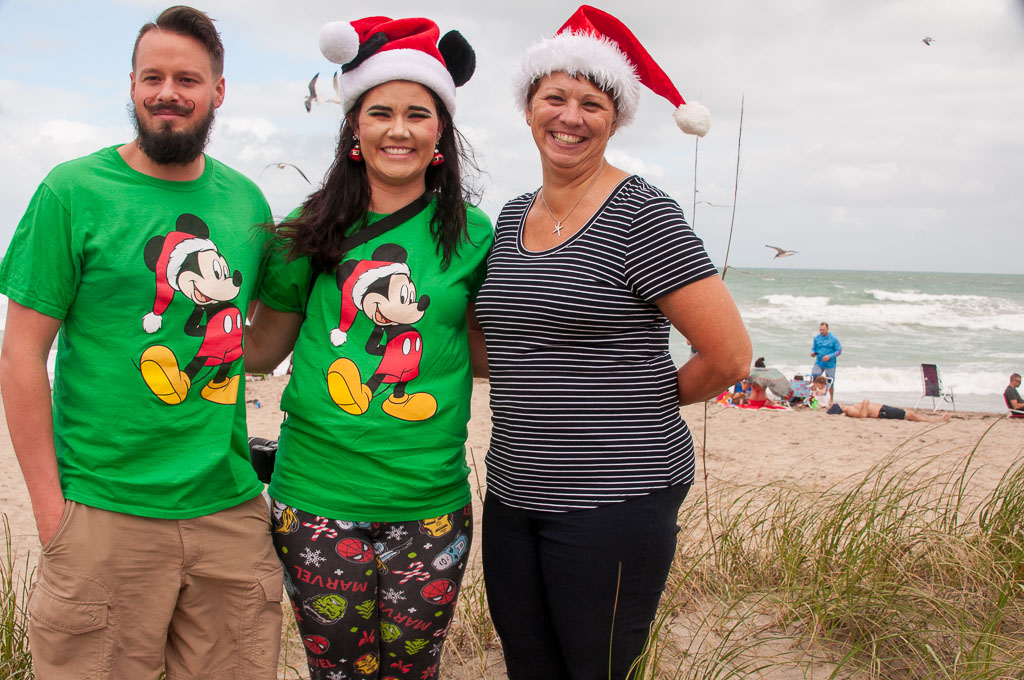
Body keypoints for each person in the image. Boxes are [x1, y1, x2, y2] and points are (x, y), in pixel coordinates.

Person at [0, 7, 283, 678]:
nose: (167, 93)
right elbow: (20, 355)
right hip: (103, 512)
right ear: (131, 85)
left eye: (188, 79)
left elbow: (260, 341)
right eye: (152, 77)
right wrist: (52, 513)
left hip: (229, 512)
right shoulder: (72, 192)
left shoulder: (248, 205)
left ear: (218, 91)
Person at [473, 7, 751, 678]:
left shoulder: (641, 213)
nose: (570, 117)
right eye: (554, 98)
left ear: (616, 118)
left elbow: (729, 357)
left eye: (591, 104)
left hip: (618, 494)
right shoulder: (510, 216)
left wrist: (639, 401)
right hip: (512, 489)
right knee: (527, 663)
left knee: (594, 667)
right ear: (529, 108)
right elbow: (500, 347)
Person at [243, 15, 490, 680]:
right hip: (315, 498)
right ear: (354, 125)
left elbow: (484, 352)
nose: (398, 129)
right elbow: (263, 347)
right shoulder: (309, 227)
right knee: (339, 673)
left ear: (441, 132)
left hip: (429, 504)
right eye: (380, 112)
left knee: (414, 671)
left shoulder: (473, 236)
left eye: (417, 113)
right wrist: (170, 334)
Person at [833, 400, 951, 423]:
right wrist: (865, 403)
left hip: (883, 409)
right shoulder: (849, 410)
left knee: (910, 414)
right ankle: (936, 420)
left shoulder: (849, 410)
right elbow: (863, 415)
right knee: (909, 415)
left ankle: (935, 419)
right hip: (882, 412)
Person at [810, 321, 842, 404]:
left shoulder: (834, 339)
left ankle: (831, 399)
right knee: (813, 376)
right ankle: (812, 397)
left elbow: (839, 351)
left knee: (830, 381)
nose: (822, 331)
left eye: (823, 330)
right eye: (820, 330)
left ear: (827, 329)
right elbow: (814, 348)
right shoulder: (817, 338)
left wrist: (829, 356)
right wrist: (813, 353)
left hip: (830, 364)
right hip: (819, 362)